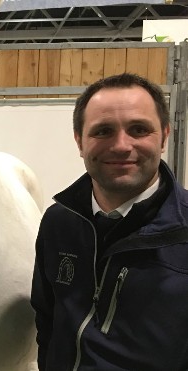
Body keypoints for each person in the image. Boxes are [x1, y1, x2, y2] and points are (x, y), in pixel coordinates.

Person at [31, 73, 188, 370]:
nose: (120, 145)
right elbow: (46, 316)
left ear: (165, 137)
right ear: (80, 141)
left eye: (139, 129)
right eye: (102, 131)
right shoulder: (59, 221)